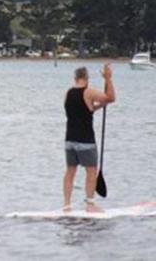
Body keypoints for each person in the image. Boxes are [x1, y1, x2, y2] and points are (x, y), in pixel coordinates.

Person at [62, 64, 115, 212]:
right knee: (91, 171)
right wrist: (108, 79)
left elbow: (81, 111)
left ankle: (66, 205)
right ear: (86, 78)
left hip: (69, 140)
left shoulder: (68, 93)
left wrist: (97, 107)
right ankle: (90, 205)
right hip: (85, 141)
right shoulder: (89, 91)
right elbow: (111, 97)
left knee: (70, 171)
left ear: (75, 78)